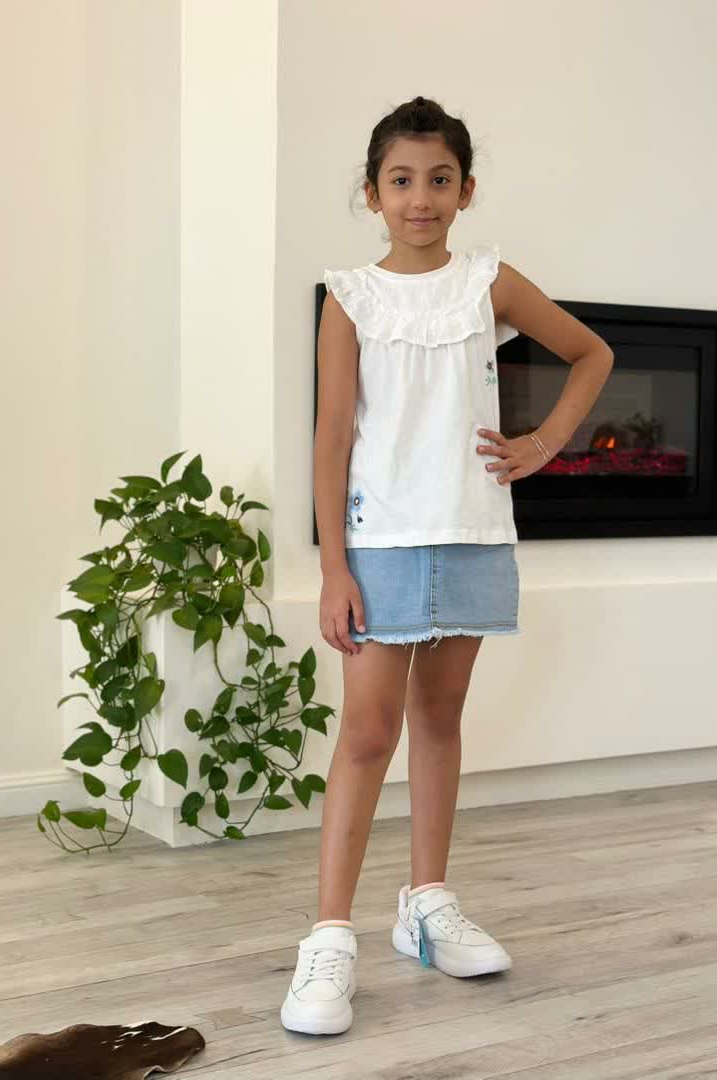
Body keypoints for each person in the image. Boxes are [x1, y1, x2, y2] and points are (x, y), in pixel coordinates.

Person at [280, 96, 614, 1037]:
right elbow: (333, 436)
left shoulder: (488, 282)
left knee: (439, 721)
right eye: (401, 180)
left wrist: (544, 442)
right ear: (372, 193)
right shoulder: (350, 298)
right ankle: (329, 938)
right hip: (379, 544)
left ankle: (426, 905)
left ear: (465, 190)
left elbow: (590, 353)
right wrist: (334, 569)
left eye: (439, 179)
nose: (419, 198)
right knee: (366, 734)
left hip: (471, 532)